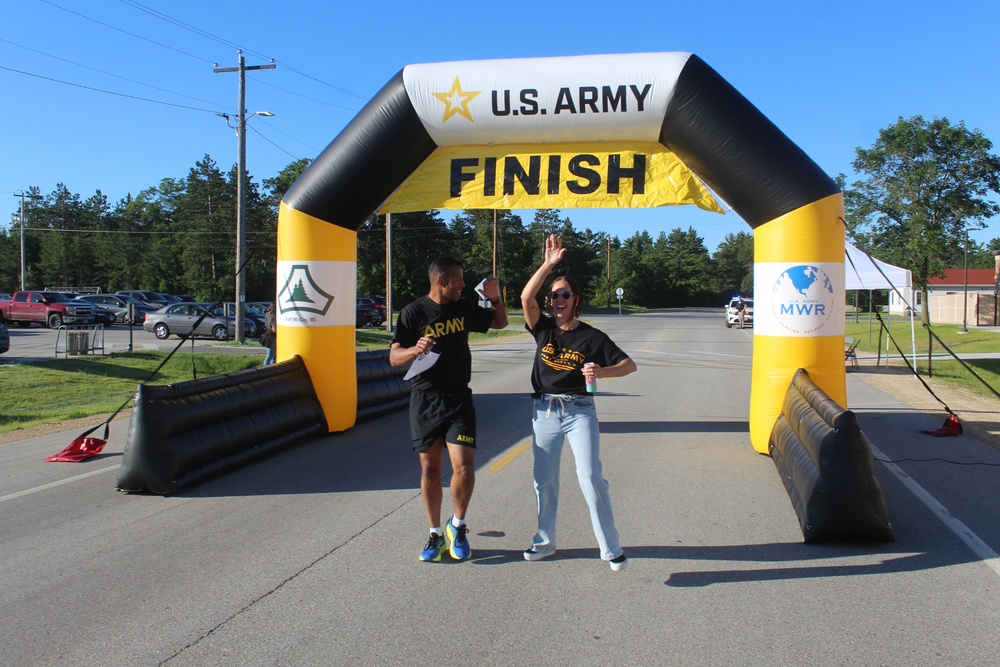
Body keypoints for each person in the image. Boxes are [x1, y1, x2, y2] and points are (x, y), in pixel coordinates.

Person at [520, 234, 637, 572]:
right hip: (543, 411)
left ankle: (611, 548)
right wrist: (548, 265)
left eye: (565, 295)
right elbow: (527, 297)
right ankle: (545, 543)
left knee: (589, 475)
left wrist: (603, 370)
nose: (558, 299)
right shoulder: (542, 329)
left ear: (575, 300)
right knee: (545, 480)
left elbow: (629, 365)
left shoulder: (592, 336)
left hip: (578, 410)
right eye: (554, 295)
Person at [389, 258, 507, 562]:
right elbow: (394, 356)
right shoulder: (413, 312)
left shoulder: (464, 308)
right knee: (430, 469)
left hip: (458, 398)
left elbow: (499, 323)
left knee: (464, 467)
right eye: (459, 280)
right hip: (425, 400)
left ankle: (458, 524)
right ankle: (435, 534)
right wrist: (414, 349)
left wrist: (495, 299)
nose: (463, 285)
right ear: (441, 281)